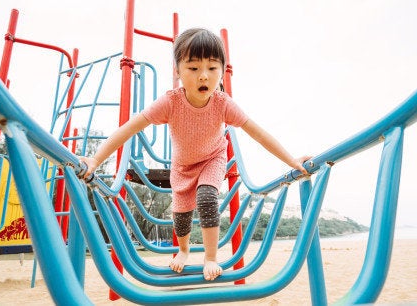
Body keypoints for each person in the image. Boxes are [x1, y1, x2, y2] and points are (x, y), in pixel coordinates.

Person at [79, 28, 310, 281]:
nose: (203, 76)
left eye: (212, 68)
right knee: (181, 216)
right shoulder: (170, 102)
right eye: (193, 68)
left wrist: (291, 160)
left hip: (213, 158)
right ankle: (184, 250)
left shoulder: (223, 103)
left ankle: (210, 257)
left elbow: (258, 133)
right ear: (177, 71)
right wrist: (95, 160)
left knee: (207, 198)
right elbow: (129, 128)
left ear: (222, 71)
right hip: (182, 166)